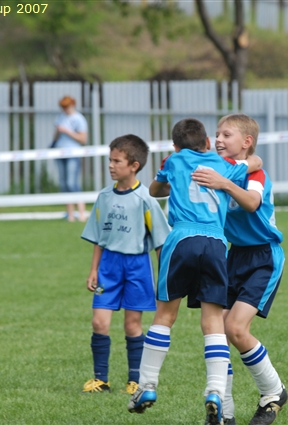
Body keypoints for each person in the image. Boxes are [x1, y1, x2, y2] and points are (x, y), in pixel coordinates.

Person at [127, 118, 263, 425]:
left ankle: (146, 385)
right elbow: (255, 162)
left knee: (165, 315)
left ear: (175, 146)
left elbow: (155, 189)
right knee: (213, 320)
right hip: (215, 243)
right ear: (207, 143)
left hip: (181, 239)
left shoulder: (173, 161)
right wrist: (244, 163)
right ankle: (215, 391)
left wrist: (170, 178)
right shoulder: (224, 165)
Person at [190, 114, 287, 425]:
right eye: (217, 134)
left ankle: (273, 392)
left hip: (263, 257)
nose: (218, 139)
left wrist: (226, 184)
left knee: (235, 328)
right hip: (232, 256)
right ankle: (224, 412)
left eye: (226, 134)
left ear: (246, 142)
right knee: (217, 331)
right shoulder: (219, 170)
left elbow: (252, 202)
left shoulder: (255, 174)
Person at [80, 134, 171, 395]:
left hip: (137, 267)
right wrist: (93, 269)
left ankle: (134, 380)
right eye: (110, 160)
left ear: (134, 165)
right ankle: (100, 379)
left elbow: (160, 243)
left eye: (117, 161)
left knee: (132, 325)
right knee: (99, 322)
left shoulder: (146, 198)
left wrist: (163, 277)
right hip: (108, 267)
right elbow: (99, 238)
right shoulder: (104, 197)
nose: (111, 165)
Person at [53, 95, 88, 222]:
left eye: (66, 107)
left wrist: (67, 131)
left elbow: (83, 139)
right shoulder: (60, 117)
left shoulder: (79, 119)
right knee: (64, 184)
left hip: (73, 153)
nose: (64, 110)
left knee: (72, 183)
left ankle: (82, 213)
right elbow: (56, 136)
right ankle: (70, 215)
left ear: (72, 105)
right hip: (59, 152)